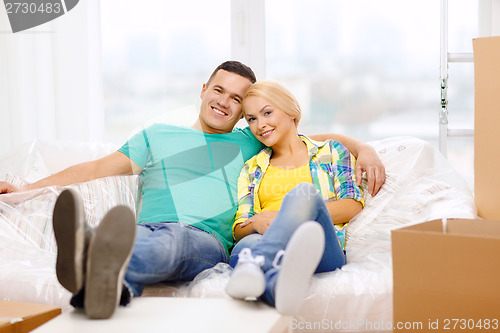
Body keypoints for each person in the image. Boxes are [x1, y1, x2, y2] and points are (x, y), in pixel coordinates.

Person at [0, 61, 385, 319]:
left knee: (174, 242)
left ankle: (97, 254)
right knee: (154, 241)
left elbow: (307, 138)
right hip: (142, 231)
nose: (224, 102)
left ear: (243, 112)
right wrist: (24, 188)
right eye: (219, 90)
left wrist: (365, 148)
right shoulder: (157, 135)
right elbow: (97, 167)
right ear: (204, 89)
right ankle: (107, 283)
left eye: (237, 100)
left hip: (202, 240)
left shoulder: (250, 141)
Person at [225, 80, 364, 315]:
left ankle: (258, 262)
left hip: (320, 247)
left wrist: (283, 218)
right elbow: (240, 228)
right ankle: (274, 286)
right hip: (264, 240)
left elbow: (352, 205)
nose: (260, 125)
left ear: (291, 111)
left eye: (267, 112)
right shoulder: (252, 168)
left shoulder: (330, 152)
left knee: (303, 193)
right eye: (251, 119)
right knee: (246, 244)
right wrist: (256, 223)